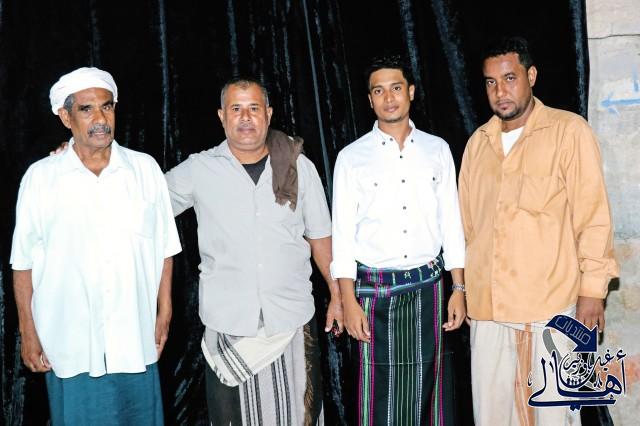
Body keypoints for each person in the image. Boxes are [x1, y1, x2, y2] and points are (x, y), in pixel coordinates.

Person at [458, 37, 619, 425]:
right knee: (492, 416)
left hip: (549, 307)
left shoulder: (568, 132)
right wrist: (462, 290)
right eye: (491, 82)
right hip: (488, 311)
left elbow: (593, 217)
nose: (501, 91)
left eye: (510, 78)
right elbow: (467, 228)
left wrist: (592, 291)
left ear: (531, 76)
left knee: (553, 417)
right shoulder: (478, 144)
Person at [164, 77, 341, 425]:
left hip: (290, 321)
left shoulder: (298, 166)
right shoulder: (199, 169)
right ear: (222, 116)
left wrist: (337, 294)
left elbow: (321, 236)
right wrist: (82, 154)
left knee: (299, 416)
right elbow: (142, 199)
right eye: (236, 109)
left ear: (268, 114)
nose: (245, 117)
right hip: (229, 325)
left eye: (254, 108)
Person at [10, 67, 182, 425]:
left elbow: (165, 246)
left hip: (134, 338)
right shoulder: (41, 178)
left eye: (107, 106)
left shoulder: (145, 170)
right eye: (86, 109)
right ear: (65, 117)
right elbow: (23, 263)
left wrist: (164, 311)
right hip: (71, 343)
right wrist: (28, 332)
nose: (100, 119)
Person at [331, 55, 466, 426]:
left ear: (411, 92)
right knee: (379, 403)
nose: (388, 98)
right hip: (374, 295)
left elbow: (451, 223)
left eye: (395, 88)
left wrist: (459, 288)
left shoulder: (437, 149)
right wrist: (348, 301)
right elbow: (342, 238)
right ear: (369, 99)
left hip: (429, 289)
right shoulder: (351, 158)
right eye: (379, 91)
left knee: (430, 398)